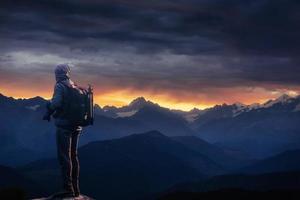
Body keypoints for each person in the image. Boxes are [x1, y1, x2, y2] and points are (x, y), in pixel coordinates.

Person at [43, 64, 82, 198]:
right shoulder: (73, 84)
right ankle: (76, 189)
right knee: (73, 156)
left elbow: (57, 103)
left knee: (64, 157)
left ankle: (67, 188)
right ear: (67, 73)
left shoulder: (60, 85)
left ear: (57, 74)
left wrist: (49, 105)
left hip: (64, 125)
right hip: (77, 125)